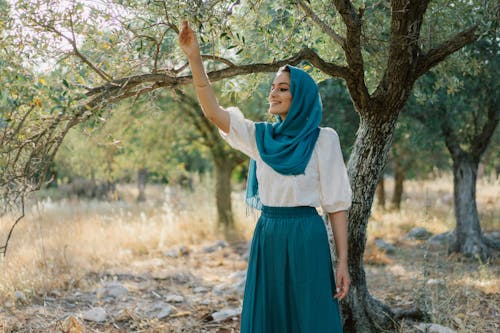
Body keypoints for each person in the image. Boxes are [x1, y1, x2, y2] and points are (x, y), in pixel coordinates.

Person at [179, 21, 351, 333]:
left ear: (301, 97)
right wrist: (195, 58)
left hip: (307, 235)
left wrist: (342, 262)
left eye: (283, 88)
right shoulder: (260, 137)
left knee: (311, 316)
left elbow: (337, 206)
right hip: (269, 234)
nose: (274, 92)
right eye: (273, 86)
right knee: (270, 317)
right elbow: (213, 112)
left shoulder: (324, 139)